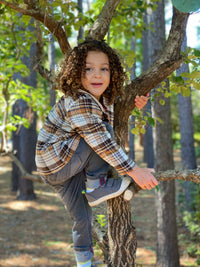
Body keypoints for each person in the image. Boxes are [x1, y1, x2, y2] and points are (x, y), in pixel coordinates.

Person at [35, 39, 158, 267]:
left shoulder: (102, 100)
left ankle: (83, 263)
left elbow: (117, 105)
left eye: (104, 69)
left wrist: (135, 102)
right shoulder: (79, 100)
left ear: (113, 73)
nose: (97, 75)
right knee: (102, 134)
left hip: (57, 170)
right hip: (57, 159)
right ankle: (95, 186)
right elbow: (101, 143)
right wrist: (134, 171)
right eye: (88, 69)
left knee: (82, 218)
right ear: (76, 73)